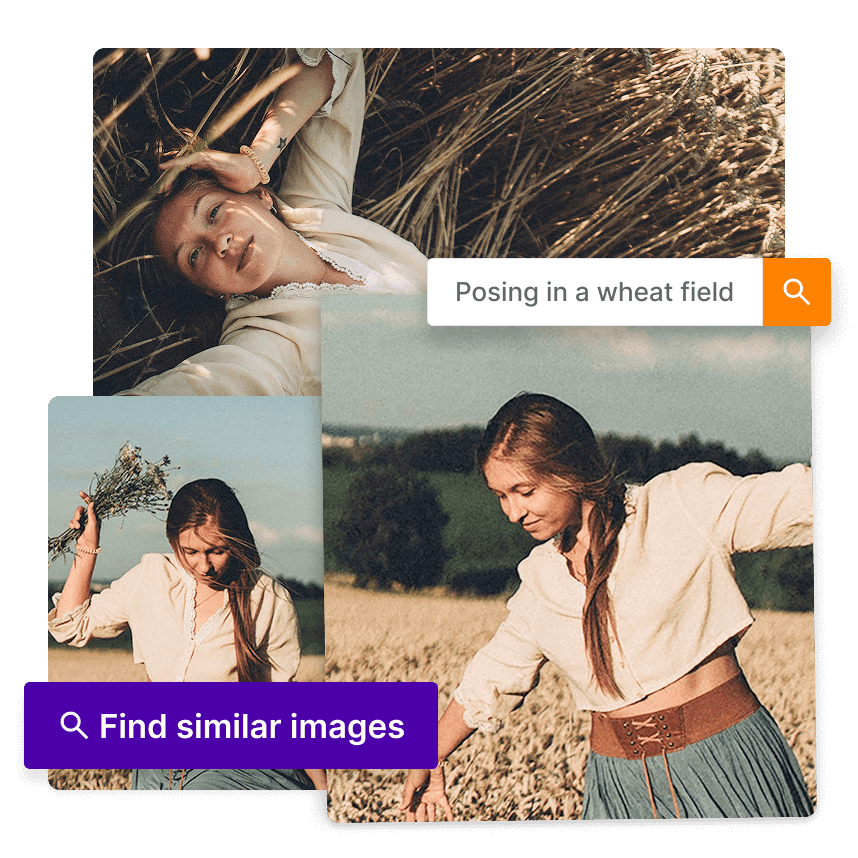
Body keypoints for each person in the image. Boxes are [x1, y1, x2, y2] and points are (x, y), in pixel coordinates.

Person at [401, 393, 814, 820]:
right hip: (617, 787)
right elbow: (494, 673)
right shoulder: (540, 579)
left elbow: (797, 499)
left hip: (727, 766)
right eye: (500, 496)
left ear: (571, 468)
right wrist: (430, 755)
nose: (512, 513)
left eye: (524, 491)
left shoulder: (680, 505)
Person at [110, 48, 427, 396]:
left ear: (258, 195)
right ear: (208, 289)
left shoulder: (317, 211)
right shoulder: (265, 343)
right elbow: (187, 395)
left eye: (213, 212)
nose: (219, 243)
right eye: (194, 256)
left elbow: (338, 57)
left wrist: (257, 159)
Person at [48, 477, 326, 791]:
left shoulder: (267, 598)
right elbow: (71, 624)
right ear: (172, 540)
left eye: (217, 551)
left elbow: (285, 702)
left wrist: (320, 784)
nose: (204, 566)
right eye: (190, 551)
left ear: (235, 541)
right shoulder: (151, 578)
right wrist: (86, 546)